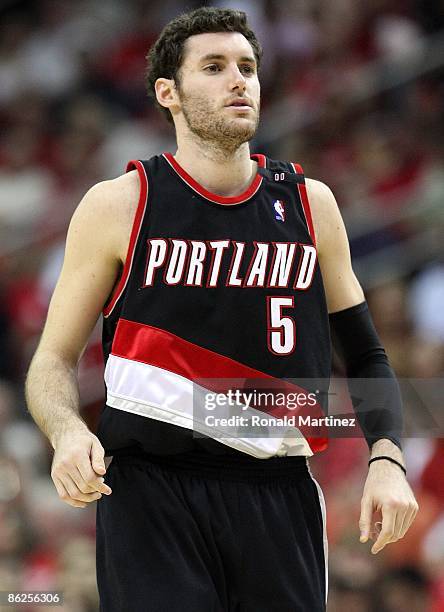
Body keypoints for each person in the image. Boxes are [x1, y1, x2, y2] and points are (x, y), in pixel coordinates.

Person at [25, 7, 419, 612]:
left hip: (278, 490)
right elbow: (51, 360)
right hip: (151, 490)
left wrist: (387, 456)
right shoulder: (120, 205)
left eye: (248, 67)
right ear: (169, 93)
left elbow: (367, 352)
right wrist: (68, 430)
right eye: (213, 67)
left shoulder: (312, 204)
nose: (239, 80)